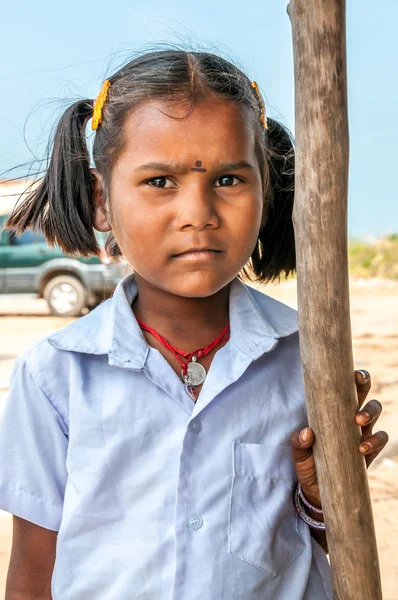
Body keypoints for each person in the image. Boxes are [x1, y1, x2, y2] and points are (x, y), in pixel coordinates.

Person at [0, 50, 388, 600]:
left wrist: (326, 500)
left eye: (229, 178)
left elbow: (320, 546)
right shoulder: (58, 376)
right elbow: (33, 576)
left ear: (267, 192)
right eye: (160, 181)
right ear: (101, 201)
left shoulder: (309, 360)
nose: (198, 212)